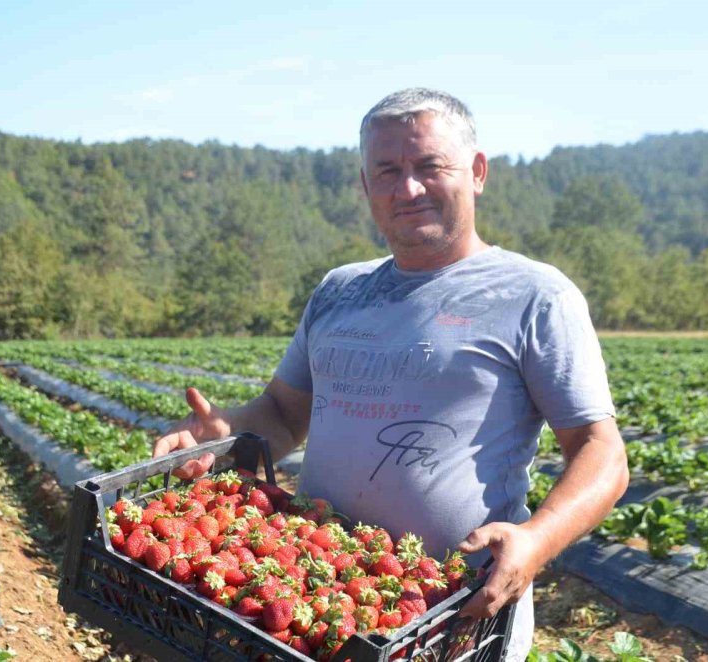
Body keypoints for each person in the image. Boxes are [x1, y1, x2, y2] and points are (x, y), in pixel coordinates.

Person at [153, 88, 629, 661]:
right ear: (364, 186)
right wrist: (223, 431)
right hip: (321, 595)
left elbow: (603, 451)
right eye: (387, 171)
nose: (408, 189)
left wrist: (536, 540)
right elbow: (282, 415)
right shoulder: (339, 291)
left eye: (430, 166)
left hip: (452, 613)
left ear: (476, 172)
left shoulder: (534, 296)